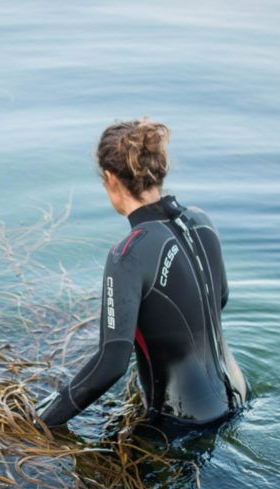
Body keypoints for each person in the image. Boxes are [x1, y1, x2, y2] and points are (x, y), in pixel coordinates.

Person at [37, 118, 247, 435]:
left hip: (181, 422)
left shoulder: (128, 255)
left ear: (110, 179)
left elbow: (111, 363)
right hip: (238, 394)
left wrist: (42, 421)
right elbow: (220, 299)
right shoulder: (201, 221)